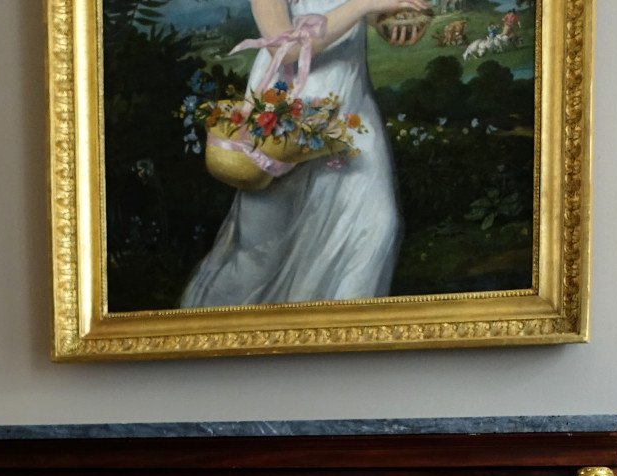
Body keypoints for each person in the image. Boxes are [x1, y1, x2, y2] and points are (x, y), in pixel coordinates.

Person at [181, 0, 431, 308]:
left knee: (377, 226)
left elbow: (359, 14)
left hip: (348, 108)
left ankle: (347, 340)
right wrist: (366, 4)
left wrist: (392, 21)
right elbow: (284, 46)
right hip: (286, 108)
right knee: (262, 252)